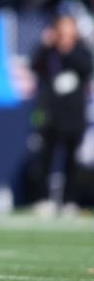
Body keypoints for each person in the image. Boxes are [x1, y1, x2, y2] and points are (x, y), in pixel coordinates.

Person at [30, 11, 92, 217]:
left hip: (73, 113)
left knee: (71, 160)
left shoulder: (80, 51)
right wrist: (48, 45)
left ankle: (69, 200)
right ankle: (43, 199)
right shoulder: (50, 52)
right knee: (47, 157)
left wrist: (69, 50)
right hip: (52, 113)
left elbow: (86, 67)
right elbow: (35, 65)